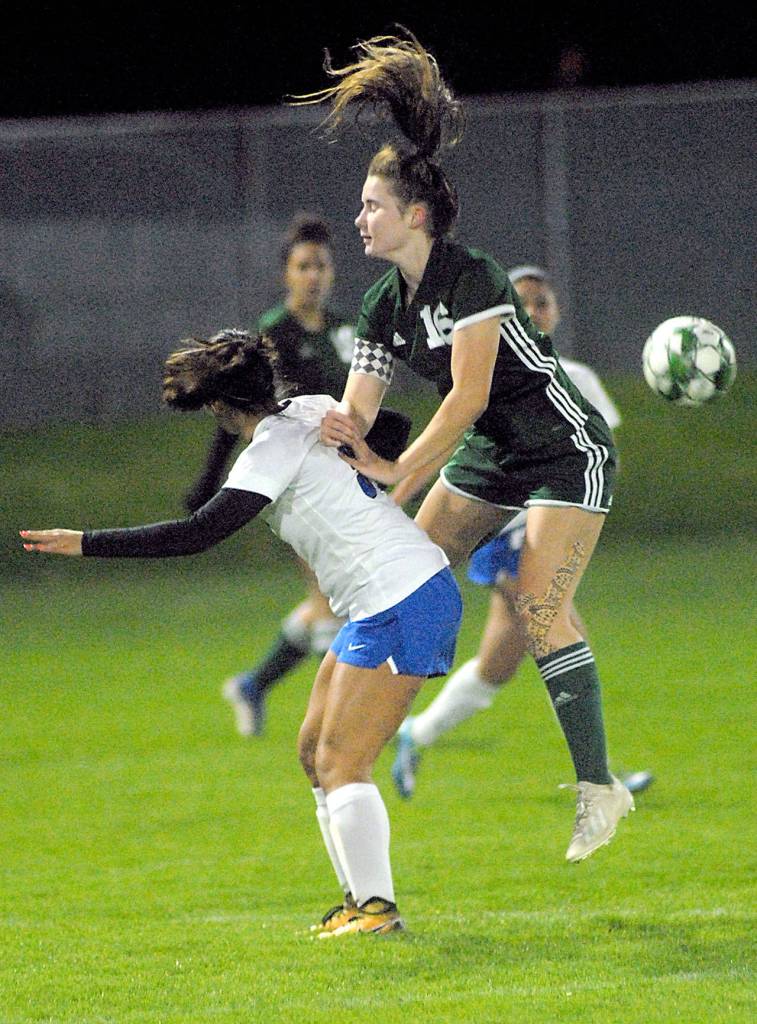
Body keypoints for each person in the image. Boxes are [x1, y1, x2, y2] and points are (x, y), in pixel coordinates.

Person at [299, 30, 634, 862]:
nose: (358, 218)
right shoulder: (380, 305)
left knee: (538, 601)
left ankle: (601, 788)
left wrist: (399, 477)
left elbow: (468, 395)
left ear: (413, 215)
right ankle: (363, 735)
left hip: (561, 448)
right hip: (488, 455)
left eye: (370, 205)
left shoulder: (473, 278)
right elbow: (359, 417)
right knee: (402, 573)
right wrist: (322, 438)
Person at [21, 328, 462, 937]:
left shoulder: (268, 451)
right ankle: (356, 903)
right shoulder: (310, 411)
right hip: (380, 601)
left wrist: (84, 543)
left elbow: (194, 534)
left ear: (222, 408)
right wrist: (365, 457)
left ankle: (378, 913)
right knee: (314, 753)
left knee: (342, 761)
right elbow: (396, 421)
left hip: (404, 595)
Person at [390, 265, 654, 799]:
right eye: (523, 303)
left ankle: (415, 734)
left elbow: (602, 461)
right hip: (503, 532)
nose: (535, 312)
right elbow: (461, 445)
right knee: (557, 626)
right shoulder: (489, 374)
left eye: (543, 302)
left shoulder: (578, 378)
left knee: (497, 666)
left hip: (547, 532)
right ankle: (598, 774)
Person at [183, 214, 355, 737]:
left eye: (321, 265)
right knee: (332, 602)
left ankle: (254, 685)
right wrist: (209, 481)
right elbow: (234, 415)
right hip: (292, 487)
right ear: (287, 273)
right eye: (303, 266)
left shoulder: (345, 333)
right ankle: (339, 730)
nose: (314, 275)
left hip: (342, 482)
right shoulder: (270, 336)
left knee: (329, 602)